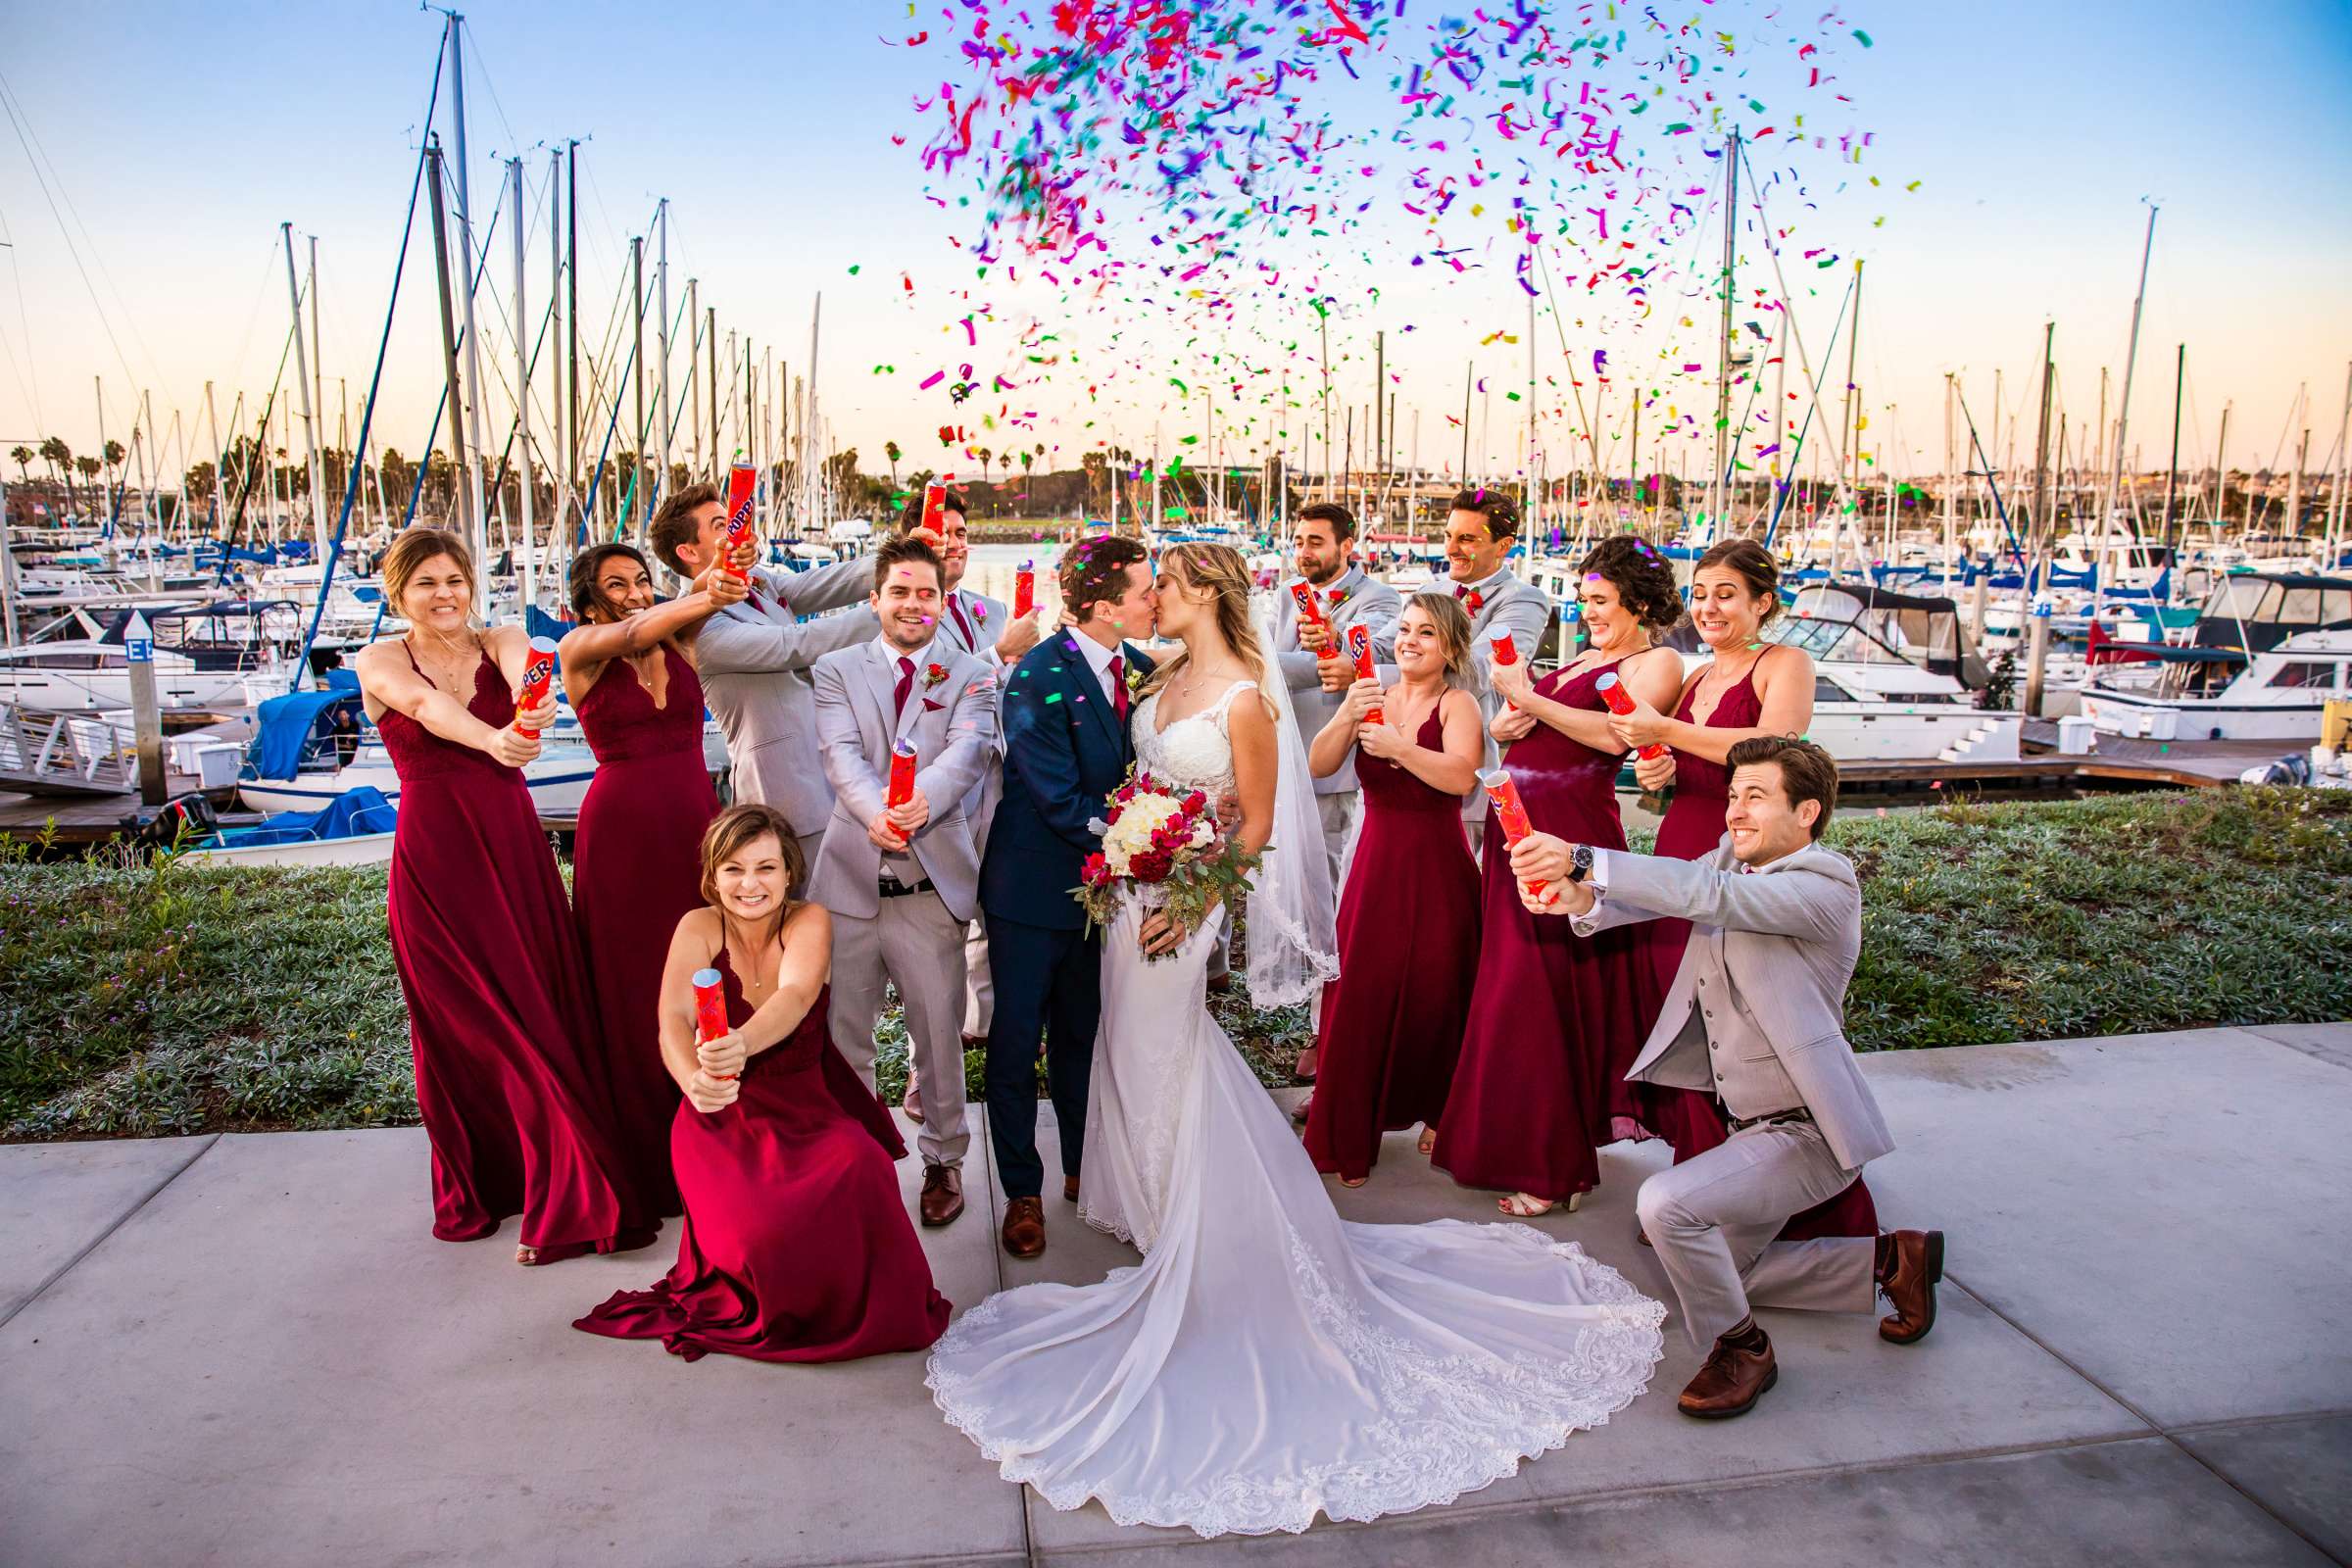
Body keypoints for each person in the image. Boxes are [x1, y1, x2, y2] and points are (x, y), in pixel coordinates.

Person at [926, 543, 1665, 1540]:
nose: (1154, 594)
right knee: (1129, 1059)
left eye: (1167, 585)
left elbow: (1259, 822)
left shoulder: (1241, 697)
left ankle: (1200, 1227)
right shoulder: (1159, 672)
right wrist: (1134, 850)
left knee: (1167, 1047)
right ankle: (1150, 1200)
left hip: (1179, 907)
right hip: (1131, 889)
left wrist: (1190, 904)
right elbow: (1152, 780)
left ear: (1202, 596)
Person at [1509, 737, 1943, 1421]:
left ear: (1807, 813)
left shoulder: (1824, 883)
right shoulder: (1731, 861)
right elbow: (1669, 894)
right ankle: (1890, 1262)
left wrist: (1585, 856)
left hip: (1810, 1131)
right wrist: (1577, 898)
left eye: (1755, 796)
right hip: (1749, 1126)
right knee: (1714, 1274)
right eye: (1733, 794)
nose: (1735, 812)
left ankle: (1740, 1349)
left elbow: (1705, 895)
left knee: (1665, 1207)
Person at [353, 529, 653, 1265]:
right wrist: (492, 742)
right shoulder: (379, 658)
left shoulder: (504, 638)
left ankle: (565, 1185)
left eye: (455, 578)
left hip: (511, 844)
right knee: (467, 1022)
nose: (445, 593)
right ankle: (497, 1180)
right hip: (436, 855)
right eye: (426, 582)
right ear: (399, 593)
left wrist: (532, 708)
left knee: (535, 1008)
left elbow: (530, 673)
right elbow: (421, 707)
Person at [574, 806, 951, 1363]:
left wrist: (741, 1043)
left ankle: (851, 1307)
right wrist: (693, 1080)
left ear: (788, 871)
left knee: (862, 1168)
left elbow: (796, 996)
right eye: (733, 869)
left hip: (807, 1106)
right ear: (712, 874)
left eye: (765, 868)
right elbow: (673, 1020)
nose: (750, 884)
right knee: (756, 1236)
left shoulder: (810, 920)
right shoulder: (696, 927)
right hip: (722, 1114)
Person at [1606, 538, 1879, 1241]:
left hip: (1740, 860)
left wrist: (1665, 728)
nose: (1707, 607)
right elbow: (1690, 761)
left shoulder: (1784, 663)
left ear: (1763, 602)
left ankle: (1811, 1216)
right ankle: (1703, 1188)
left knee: (1745, 1027)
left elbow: (1778, 751)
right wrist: (1663, 769)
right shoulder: (1697, 679)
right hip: (1685, 846)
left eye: (1726, 593)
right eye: (1700, 593)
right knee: (1695, 1026)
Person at [1434, 535, 1685, 1218]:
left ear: (1637, 601)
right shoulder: (1581, 658)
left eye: (1601, 601)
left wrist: (1532, 701)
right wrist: (1512, 719)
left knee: (1541, 999)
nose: (1590, 612)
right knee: (1515, 995)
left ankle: (1556, 1166)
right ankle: (1530, 1146)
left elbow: (1615, 736)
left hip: (1571, 837)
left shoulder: (1658, 660)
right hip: (1518, 830)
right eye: (1585, 599)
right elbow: (1530, 730)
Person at [808, 536, 1001, 1229]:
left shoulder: (973, 671)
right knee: (844, 1036)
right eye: (900, 591)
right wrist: (878, 814)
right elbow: (839, 754)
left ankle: (945, 1160)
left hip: (929, 891)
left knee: (938, 1037)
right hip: (850, 889)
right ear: (875, 600)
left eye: (926, 593)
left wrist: (922, 803)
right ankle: (856, 1157)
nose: (914, 604)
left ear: (941, 602)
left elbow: (971, 749)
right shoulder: (834, 668)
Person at [977, 535, 1157, 1258]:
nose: (1156, 599)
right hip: (1030, 892)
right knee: (1018, 1045)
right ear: (1107, 608)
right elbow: (1059, 801)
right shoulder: (1036, 678)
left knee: (1085, 1037)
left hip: (1101, 898)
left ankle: (1086, 1166)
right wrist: (1147, 839)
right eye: (1146, 591)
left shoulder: (1140, 670)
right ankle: (1022, 1188)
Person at [562, 542, 745, 1216]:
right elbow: (636, 629)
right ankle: (647, 1152)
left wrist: (717, 578)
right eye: (618, 585)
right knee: (634, 985)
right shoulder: (580, 650)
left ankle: (718, 1138)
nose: (638, 594)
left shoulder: (684, 641)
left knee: (716, 971)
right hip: (621, 837)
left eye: (643, 580)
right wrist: (703, 592)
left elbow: (687, 619)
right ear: (588, 605)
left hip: (697, 824)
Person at [1299, 592, 1483, 1185]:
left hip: (1438, 864)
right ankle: (1350, 1129)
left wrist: (1402, 749)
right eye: (1405, 629)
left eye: (1426, 633)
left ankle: (1440, 1110)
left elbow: (1461, 775)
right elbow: (1318, 764)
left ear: (1450, 647)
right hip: (1376, 862)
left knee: (1439, 991)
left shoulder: (1459, 704)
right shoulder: (1372, 693)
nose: (1409, 640)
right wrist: (1349, 714)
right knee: (1361, 991)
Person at [895, 490, 1045, 1119]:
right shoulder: (902, 608)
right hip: (933, 791)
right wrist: (999, 653)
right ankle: (921, 1066)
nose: (955, 541)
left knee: (994, 910)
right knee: (934, 930)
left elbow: (1009, 693)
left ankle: (980, 1029)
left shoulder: (988, 607)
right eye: (941, 531)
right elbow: (919, 688)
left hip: (999, 786)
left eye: (961, 531)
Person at [649, 483, 878, 880]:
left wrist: (906, 561)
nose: (741, 534)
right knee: (799, 912)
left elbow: (829, 582)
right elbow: (794, 645)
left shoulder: (759, 583)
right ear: (688, 552)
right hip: (784, 790)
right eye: (723, 526)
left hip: (830, 773)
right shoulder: (697, 626)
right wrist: (892, 609)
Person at [1272, 500, 1402, 1080]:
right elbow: (1273, 665)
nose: (1305, 551)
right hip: (1301, 755)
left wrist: (1334, 653)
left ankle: (1333, 1026)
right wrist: (1308, 660)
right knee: (1308, 890)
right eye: (1299, 540)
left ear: (1347, 546)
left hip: (1352, 766)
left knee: (1344, 895)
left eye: (1316, 541)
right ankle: (1319, 1010)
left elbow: (1370, 659)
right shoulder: (1283, 595)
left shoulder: (1380, 599)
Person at [1437, 488, 1554, 853]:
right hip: (1406, 766)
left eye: (1467, 538)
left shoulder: (1524, 599)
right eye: (1449, 536)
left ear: (1503, 546)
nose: (1452, 548)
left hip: (1467, 774)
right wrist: (1345, 651)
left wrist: (1386, 678)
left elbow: (1474, 673)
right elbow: (1385, 646)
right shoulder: (1432, 589)